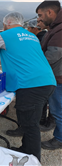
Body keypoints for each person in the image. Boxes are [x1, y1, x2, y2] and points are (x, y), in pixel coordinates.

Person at [0, 12, 56, 161]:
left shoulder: (5, 34)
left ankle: (33, 159)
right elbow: (16, 55)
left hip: (31, 84)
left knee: (30, 125)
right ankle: (25, 149)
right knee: (29, 121)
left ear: (7, 22)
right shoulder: (31, 36)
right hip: (46, 81)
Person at [36, 0, 62, 150]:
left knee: (59, 111)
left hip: (59, 77)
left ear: (50, 12)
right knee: (57, 109)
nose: (39, 19)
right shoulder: (55, 27)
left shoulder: (59, 30)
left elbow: (53, 55)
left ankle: (59, 139)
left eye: (41, 15)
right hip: (57, 75)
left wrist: (35, 66)